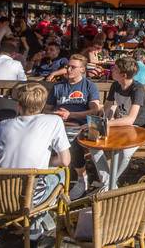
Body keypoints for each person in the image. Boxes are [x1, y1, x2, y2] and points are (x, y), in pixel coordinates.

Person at [0, 82, 71, 241]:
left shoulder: (2, 125)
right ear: (43, 104)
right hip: (30, 199)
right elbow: (65, 161)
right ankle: (36, 221)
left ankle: (28, 221)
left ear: (18, 105)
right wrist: (47, 162)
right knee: (62, 173)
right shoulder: (54, 121)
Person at [44, 54, 101, 199]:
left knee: (73, 144)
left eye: (73, 67)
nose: (68, 69)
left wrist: (71, 115)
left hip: (79, 126)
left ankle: (82, 179)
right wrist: (56, 114)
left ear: (82, 69)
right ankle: (50, 180)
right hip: (57, 125)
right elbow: (46, 109)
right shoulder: (58, 87)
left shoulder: (89, 86)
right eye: (67, 66)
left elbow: (95, 111)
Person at [95, 57, 145, 189]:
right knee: (93, 145)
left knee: (125, 153)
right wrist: (99, 118)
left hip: (138, 127)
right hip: (121, 125)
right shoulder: (115, 85)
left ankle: (109, 184)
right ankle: (108, 181)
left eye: (115, 69)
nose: (112, 70)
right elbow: (107, 106)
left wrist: (107, 124)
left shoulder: (137, 89)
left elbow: (131, 119)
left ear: (123, 75)